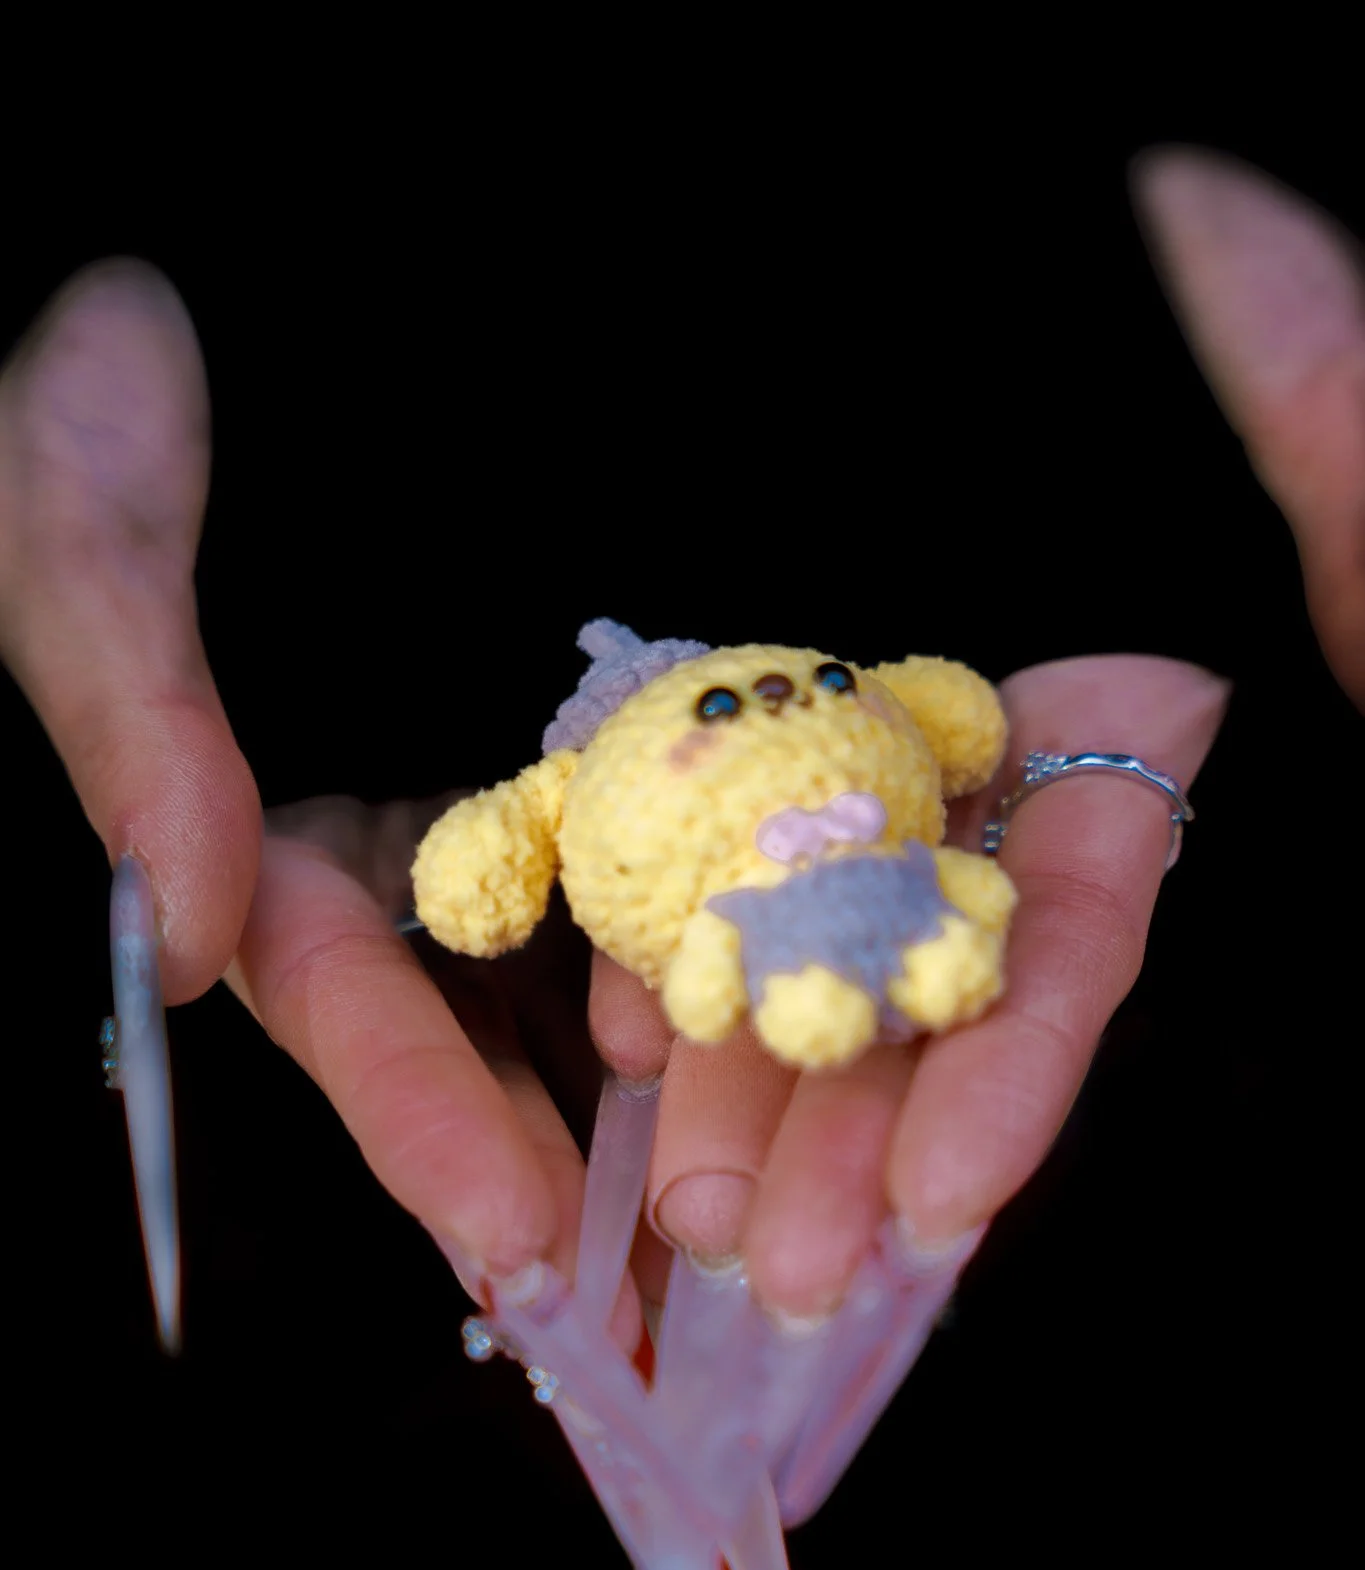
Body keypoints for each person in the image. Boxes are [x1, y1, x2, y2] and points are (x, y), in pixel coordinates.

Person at [1, 145, 1355, 1342]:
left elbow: (952, 724)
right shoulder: (583, 804)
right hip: (322, 712)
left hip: (1134, 568)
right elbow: (559, 885)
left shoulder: (893, 719)